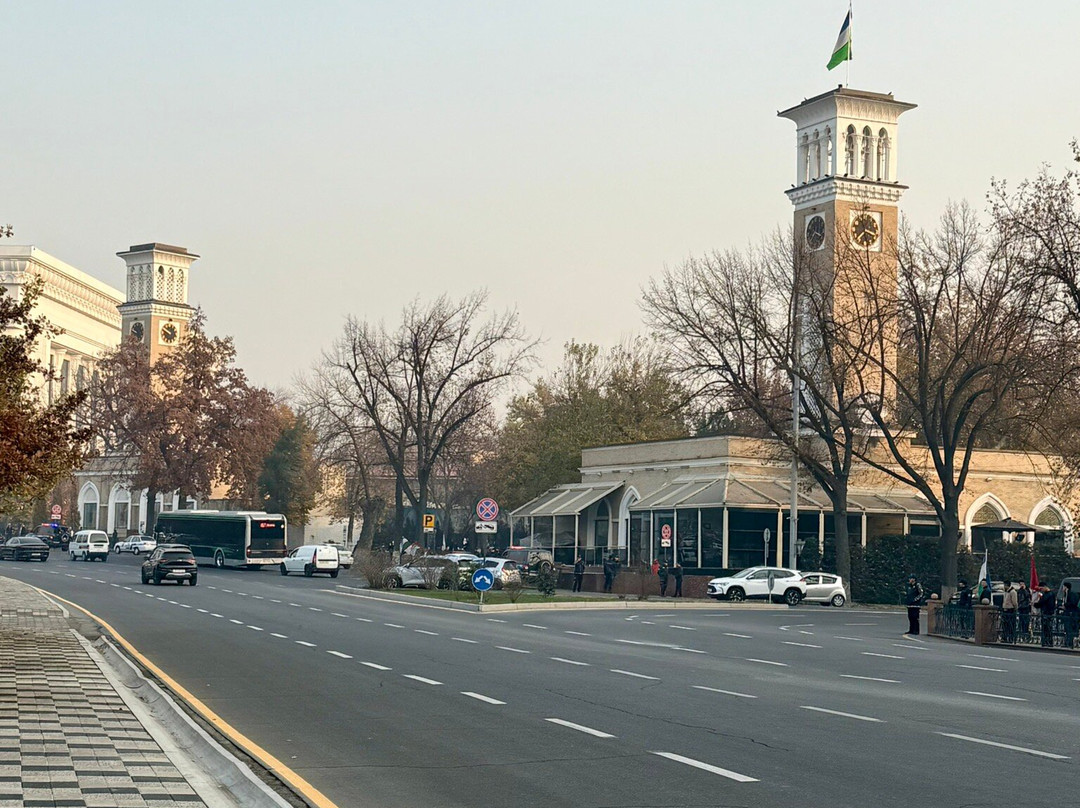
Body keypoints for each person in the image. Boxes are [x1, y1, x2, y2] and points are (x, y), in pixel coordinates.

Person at [1037, 583, 1057, 647]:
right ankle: (1045, 641)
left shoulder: (1050, 594)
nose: (1041, 590)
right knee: (1045, 629)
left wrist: (1038, 604)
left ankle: (1048, 642)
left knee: (1048, 628)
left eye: (1041, 588)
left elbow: (1048, 604)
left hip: (1047, 613)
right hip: (1044, 612)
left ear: (1045, 587)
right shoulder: (1045, 594)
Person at [1062, 581, 1080, 649]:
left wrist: (1065, 605)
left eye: (1063, 587)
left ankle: (1070, 643)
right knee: (1067, 629)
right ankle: (1067, 642)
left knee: (1070, 629)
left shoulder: (1071, 594)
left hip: (1071, 614)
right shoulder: (1066, 594)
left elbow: (1073, 603)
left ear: (1066, 587)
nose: (1062, 588)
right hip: (1067, 613)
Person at [1001, 579, 1018, 644]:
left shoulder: (1012, 592)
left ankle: (1011, 638)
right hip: (1005, 609)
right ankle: (1005, 637)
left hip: (1010, 610)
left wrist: (1015, 608)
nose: (1003, 586)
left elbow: (1014, 602)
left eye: (1004, 585)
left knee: (1010, 625)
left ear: (1007, 585)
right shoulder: (1006, 592)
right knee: (1005, 624)